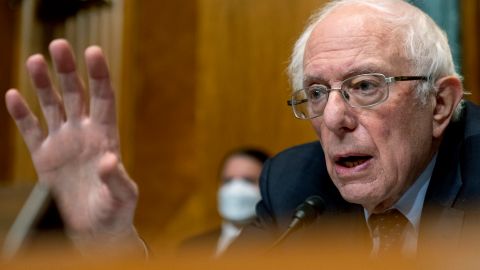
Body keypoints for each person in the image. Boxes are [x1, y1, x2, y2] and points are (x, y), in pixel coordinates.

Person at [4, 0, 480, 259]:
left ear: (440, 104)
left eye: (364, 85)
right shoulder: (295, 186)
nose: (334, 117)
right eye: (316, 93)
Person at [179, 148, 269, 257]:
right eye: (228, 180)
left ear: (267, 187)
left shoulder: (283, 246)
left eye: (248, 180)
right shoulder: (191, 248)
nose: (236, 189)